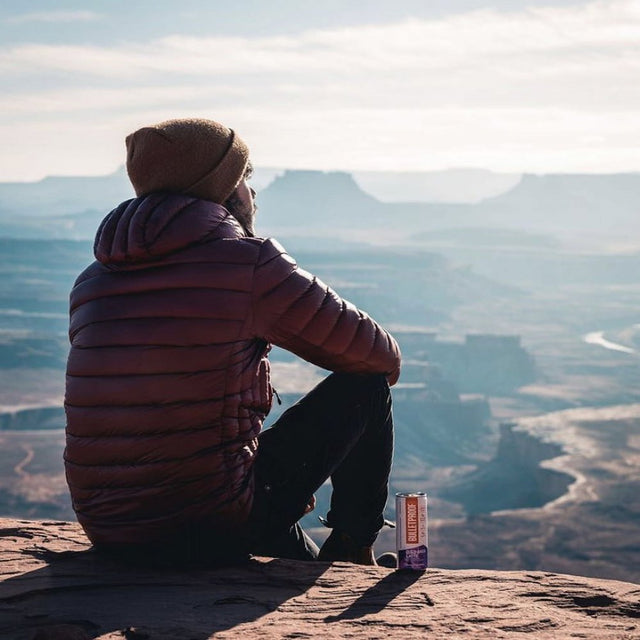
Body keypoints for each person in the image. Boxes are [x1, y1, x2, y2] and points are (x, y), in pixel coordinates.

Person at [64, 118, 401, 567]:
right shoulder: (249, 263)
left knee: (298, 557)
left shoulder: (92, 281)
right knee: (366, 389)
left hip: (111, 527)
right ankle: (354, 548)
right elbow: (377, 356)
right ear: (218, 188)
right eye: (244, 178)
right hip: (213, 520)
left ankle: (325, 560)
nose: (253, 193)